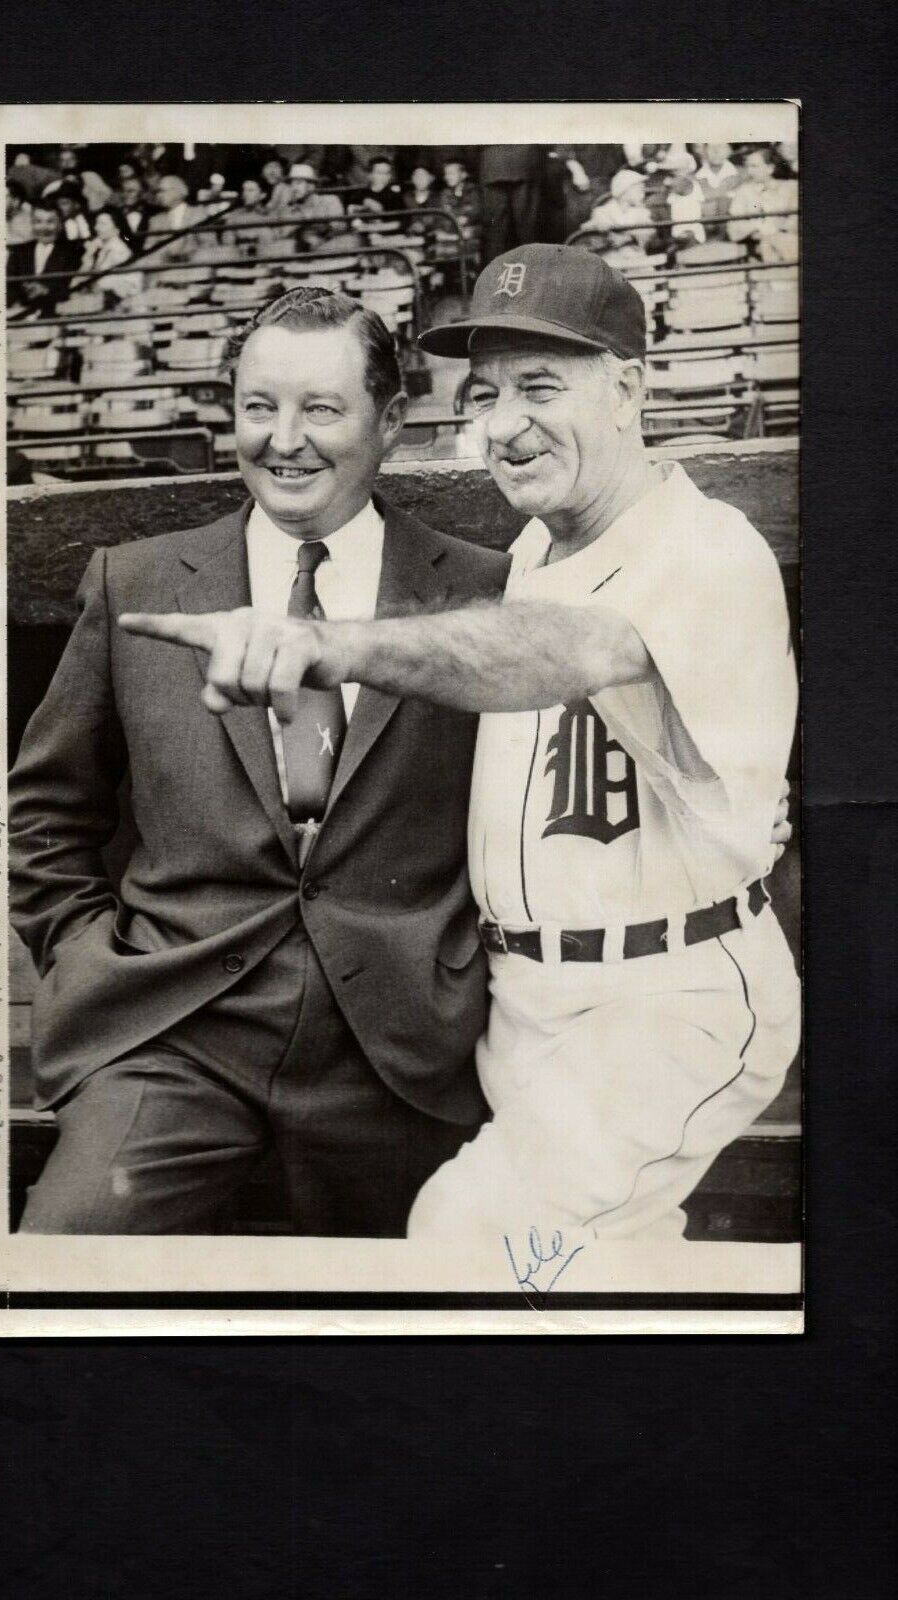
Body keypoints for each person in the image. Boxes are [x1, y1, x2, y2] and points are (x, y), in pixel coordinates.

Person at [121, 245, 800, 1256]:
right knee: (604, 1264)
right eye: (485, 394)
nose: (505, 423)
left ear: (627, 390)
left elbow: (572, 652)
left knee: (462, 1236)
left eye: (541, 386)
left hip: (663, 999)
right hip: (523, 1008)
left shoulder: (704, 549)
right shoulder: (535, 549)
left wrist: (322, 644)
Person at [9, 286, 513, 1236]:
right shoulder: (138, 581)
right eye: (258, 406)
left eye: (321, 408)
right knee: (54, 1278)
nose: (285, 440)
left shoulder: (482, 590)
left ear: (392, 420)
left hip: (402, 1051)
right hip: (171, 1034)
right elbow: (43, 810)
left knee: (430, 1344)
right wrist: (82, 956)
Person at [6, 199, 85, 319]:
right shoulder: (19, 252)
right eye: (38, 222)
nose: (44, 228)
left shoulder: (74, 252)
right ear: (32, 224)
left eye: (50, 222)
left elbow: (73, 287)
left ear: (60, 224)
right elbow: (9, 286)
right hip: (20, 316)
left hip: (56, 316)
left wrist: (46, 291)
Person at [478, 145, 549, 262]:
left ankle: (495, 277)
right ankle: (531, 275)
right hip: (524, 161)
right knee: (528, 228)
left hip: (492, 163)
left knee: (494, 232)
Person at [727, 147, 799, 262]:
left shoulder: (791, 188)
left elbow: (797, 221)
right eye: (748, 167)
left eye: (754, 166)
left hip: (788, 242)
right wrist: (758, 226)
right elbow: (733, 229)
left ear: (770, 168)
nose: (749, 172)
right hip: (756, 247)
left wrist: (776, 227)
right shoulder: (743, 192)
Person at [74, 207, 142, 303]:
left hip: (117, 302)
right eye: (96, 223)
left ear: (117, 228)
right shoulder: (97, 247)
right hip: (95, 298)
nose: (96, 228)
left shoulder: (121, 251)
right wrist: (89, 257)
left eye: (102, 224)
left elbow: (122, 286)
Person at [587, 168, 656, 252]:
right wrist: (604, 230)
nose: (643, 194)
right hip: (611, 259)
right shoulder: (602, 212)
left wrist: (629, 238)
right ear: (624, 192)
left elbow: (649, 233)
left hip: (636, 258)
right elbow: (592, 231)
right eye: (639, 190)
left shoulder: (642, 212)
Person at [282, 162, 346, 249]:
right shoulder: (289, 210)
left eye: (298, 183)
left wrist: (316, 232)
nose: (294, 188)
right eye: (291, 184)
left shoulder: (330, 200)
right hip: (304, 258)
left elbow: (340, 228)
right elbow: (286, 237)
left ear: (311, 186)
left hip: (332, 251)